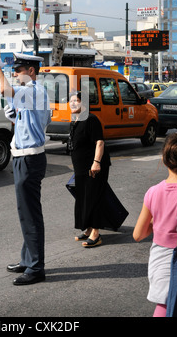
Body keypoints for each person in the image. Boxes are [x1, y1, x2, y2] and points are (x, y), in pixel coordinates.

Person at [0, 53, 51, 285]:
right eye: (13, 71)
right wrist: (16, 117)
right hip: (23, 157)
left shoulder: (34, 91)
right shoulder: (32, 93)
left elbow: (5, 90)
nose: (14, 74)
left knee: (30, 214)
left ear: (31, 71)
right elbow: (35, 122)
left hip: (29, 158)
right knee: (26, 212)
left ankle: (36, 268)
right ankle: (28, 260)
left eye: (19, 70)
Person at [133, 131, 177, 318]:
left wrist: (159, 221)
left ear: (164, 161)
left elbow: (138, 234)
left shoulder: (153, 192)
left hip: (161, 259)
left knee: (164, 305)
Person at [69, 91, 111, 247]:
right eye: (71, 101)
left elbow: (99, 142)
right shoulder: (75, 120)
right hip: (81, 167)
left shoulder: (91, 119)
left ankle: (96, 233)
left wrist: (96, 162)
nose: (73, 103)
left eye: (76, 100)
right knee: (83, 198)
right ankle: (87, 229)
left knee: (93, 198)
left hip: (94, 166)